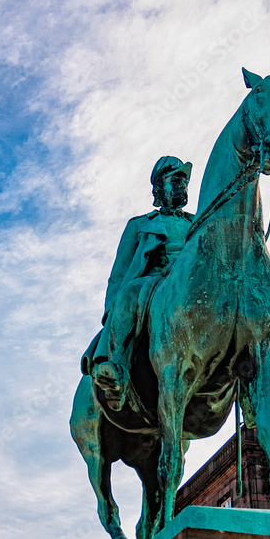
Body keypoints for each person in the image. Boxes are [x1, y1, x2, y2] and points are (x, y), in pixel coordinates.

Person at [83, 156, 194, 410]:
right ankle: (117, 368)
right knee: (130, 291)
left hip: (194, 283)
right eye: (175, 179)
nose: (182, 185)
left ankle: (256, 385)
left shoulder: (199, 221)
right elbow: (120, 273)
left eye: (184, 180)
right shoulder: (140, 225)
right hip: (153, 284)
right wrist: (113, 311)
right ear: (158, 188)